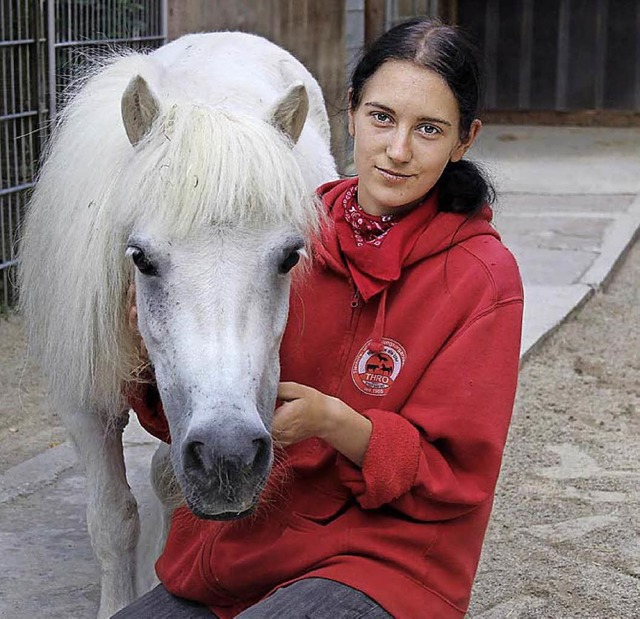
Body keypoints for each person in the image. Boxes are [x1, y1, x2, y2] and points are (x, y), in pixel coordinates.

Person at [116, 17, 524, 619]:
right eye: (381, 117)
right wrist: (151, 354)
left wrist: (338, 424)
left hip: (386, 565)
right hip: (250, 557)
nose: (398, 150)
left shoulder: (481, 278)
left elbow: (456, 476)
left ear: (465, 140)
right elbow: (206, 409)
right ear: (350, 113)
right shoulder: (284, 238)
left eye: (429, 129)